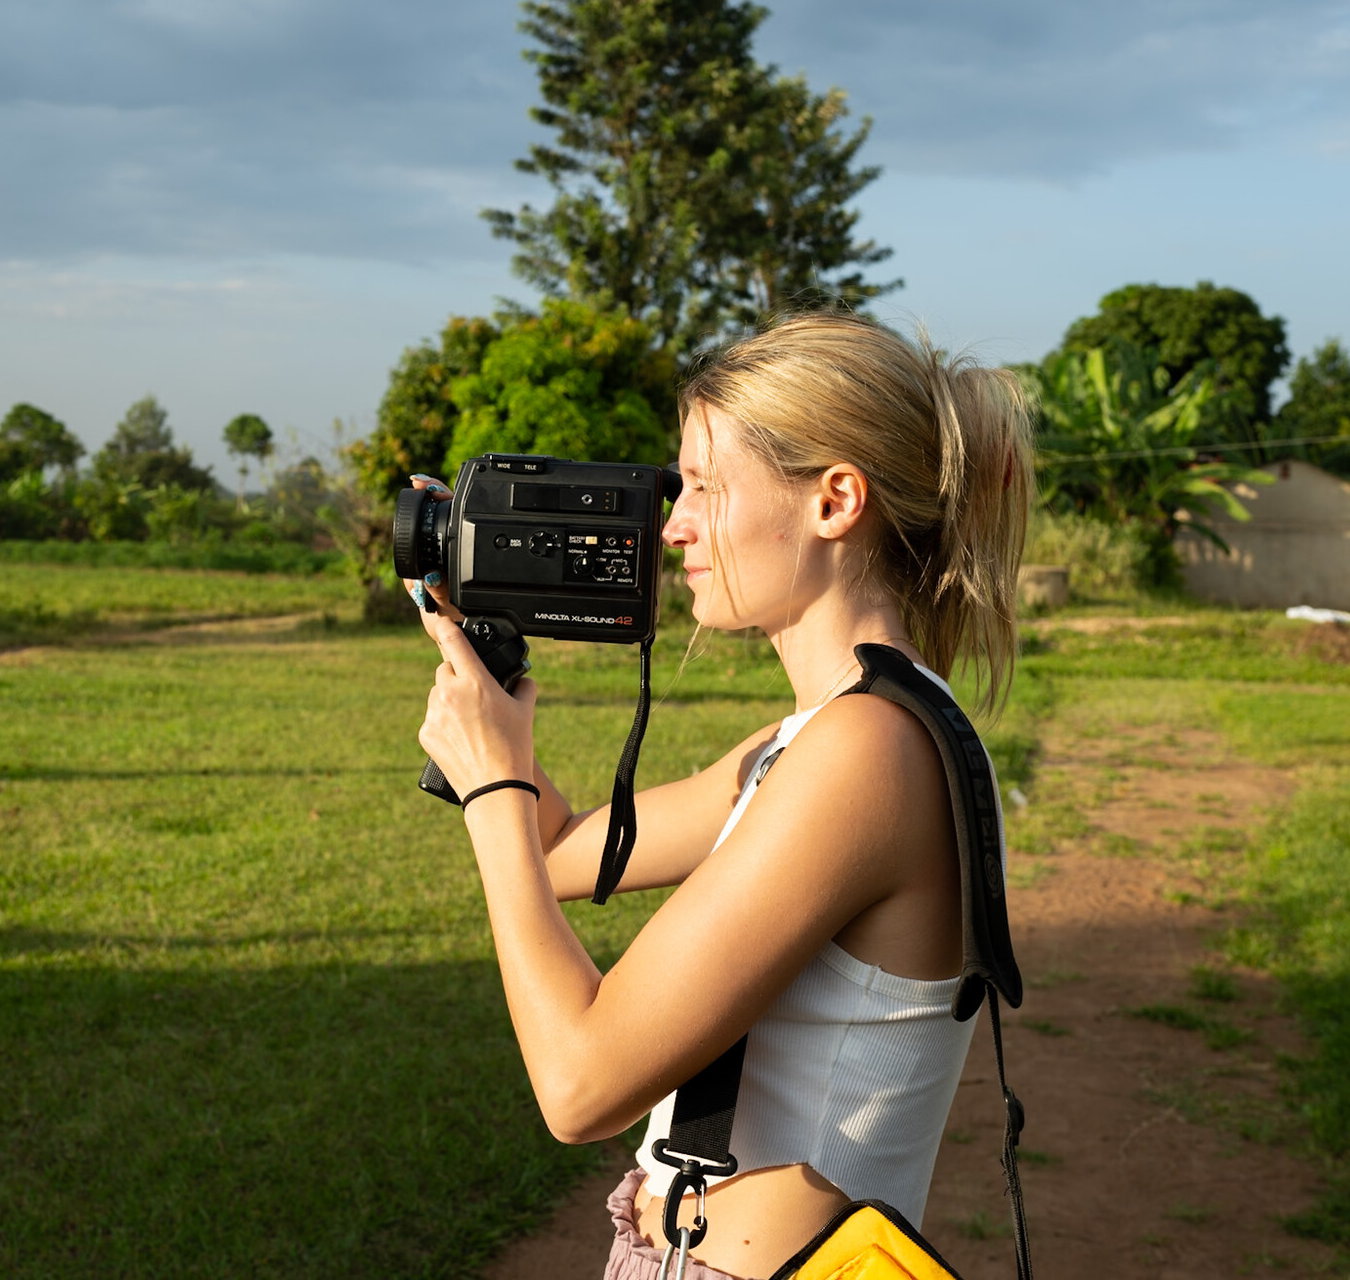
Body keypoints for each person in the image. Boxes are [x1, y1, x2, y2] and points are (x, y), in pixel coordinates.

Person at [409, 312, 1032, 1280]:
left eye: (703, 485)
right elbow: (563, 848)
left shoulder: (865, 750)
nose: (672, 525)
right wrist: (480, 661)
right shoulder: (816, 737)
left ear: (833, 500)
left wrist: (490, 783)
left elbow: (580, 1085)